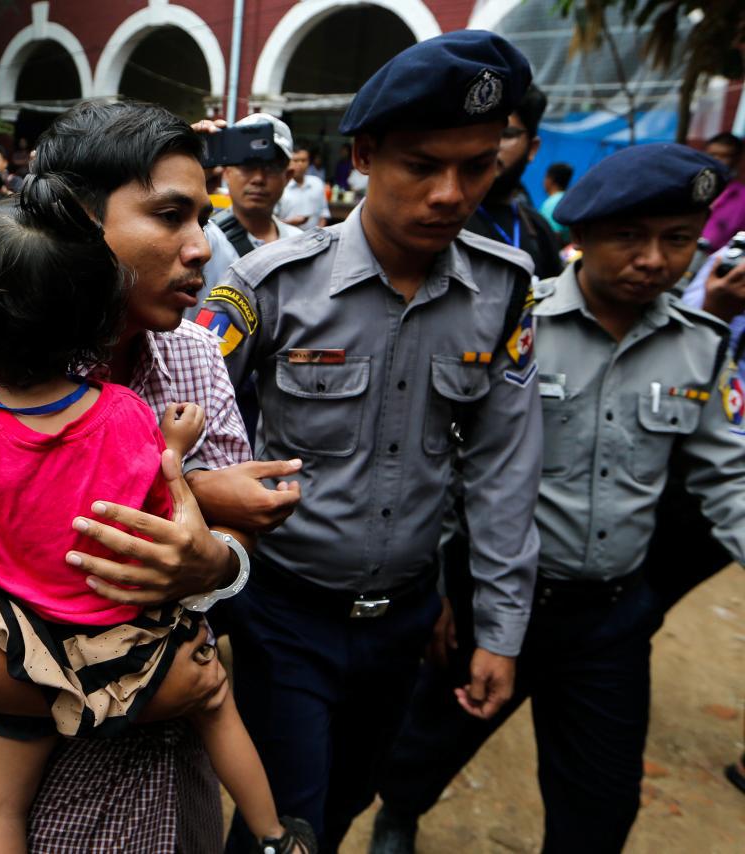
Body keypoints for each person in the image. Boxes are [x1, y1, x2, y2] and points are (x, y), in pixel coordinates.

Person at [0, 98, 305, 853]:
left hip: (188, 783)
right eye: (170, 216)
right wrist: (140, 695)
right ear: (74, 221)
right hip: (67, 801)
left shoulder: (194, 357)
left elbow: (233, 550)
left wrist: (217, 559)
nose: (201, 247)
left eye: (202, 218)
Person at [198, 31, 542, 851]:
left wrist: (499, 627)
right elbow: (182, 423)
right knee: (284, 820)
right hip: (286, 612)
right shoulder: (268, 285)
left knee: (351, 795)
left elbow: (503, 468)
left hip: (405, 618)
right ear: (364, 156)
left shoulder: (502, 292)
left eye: (477, 165)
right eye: (422, 165)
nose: (450, 194)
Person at [370, 143, 745, 854]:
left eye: (676, 241)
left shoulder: (702, 348)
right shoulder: (517, 321)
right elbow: (451, 461)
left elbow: (729, 476)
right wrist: (441, 588)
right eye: (630, 238)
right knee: (431, 740)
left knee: (600, 802)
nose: (654, 261)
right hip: (496, 599)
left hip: (610, 618)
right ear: (582, 237)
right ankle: (400, 813)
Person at [196, 113, 303, 307]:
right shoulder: (201, 239)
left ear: (287, 176)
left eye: (270, 167)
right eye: (247, 165)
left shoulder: (301, 245)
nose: (258, 178)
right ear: (227, 172)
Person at [464, 84, 562, 280]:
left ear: (532, 148)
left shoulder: (538, 230)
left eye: (506, 135)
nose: (491, 146)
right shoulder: (443, 216)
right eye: (482, 133)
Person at [700, 132, 745, 251]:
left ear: (737, 160)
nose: (717, 160)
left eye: (725, 156)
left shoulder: (742, 199)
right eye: (712, 155)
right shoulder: (689, 187)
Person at [276, 143, 330, 231]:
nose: (300, 164)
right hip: (286, 239)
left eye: (304, 160)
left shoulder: (317, 183)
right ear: (288, 162)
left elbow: (324, 213)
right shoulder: (280, 186)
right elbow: (271, 223)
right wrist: (290, 223)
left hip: (314, 240)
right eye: (296, 160)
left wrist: (319, 235)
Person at [539, 161, 573, 241]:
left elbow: (553, 234)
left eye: (545, 177)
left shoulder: (551, 204)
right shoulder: (569, 199)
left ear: (550, 180)